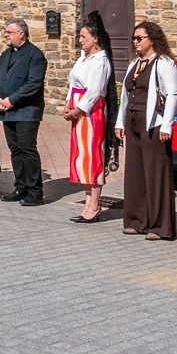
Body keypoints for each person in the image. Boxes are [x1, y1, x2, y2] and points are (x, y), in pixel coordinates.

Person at [114, 20, 177, 239]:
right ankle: (136, 220)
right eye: (134, 38)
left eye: (140, 38)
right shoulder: (135, 63)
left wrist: (167, 125)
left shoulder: (164, 62)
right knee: (135, 171)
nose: (136, 42)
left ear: (152, 39)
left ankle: (159, 225)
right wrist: (120, 122)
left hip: (153, 121)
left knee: (155, 172)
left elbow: (172, 94)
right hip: (133, 119)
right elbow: (125, 95)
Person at [0, 18, 48, 206]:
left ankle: (35, 191)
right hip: (6, 110)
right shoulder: (6, 54)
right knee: (15, 150)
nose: (5, 35)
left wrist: (12, 99)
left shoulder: (35, 55)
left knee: (27, 150)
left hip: (26, 111)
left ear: (21, 34)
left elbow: (33, 83)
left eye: (9, 32)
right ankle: (21, 187)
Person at [64, 13, 114, 223]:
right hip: (78, 108)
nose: (80, 40)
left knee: (92, 156)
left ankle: (95, 203)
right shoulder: (82, 58)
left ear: (95, 38)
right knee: (82, 156)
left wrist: (78, 109)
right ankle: (88, 202)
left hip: (91, 112)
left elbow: (94, 91)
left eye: (84, 36)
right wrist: (68, 103)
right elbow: (73, 83)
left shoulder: (100, 61)